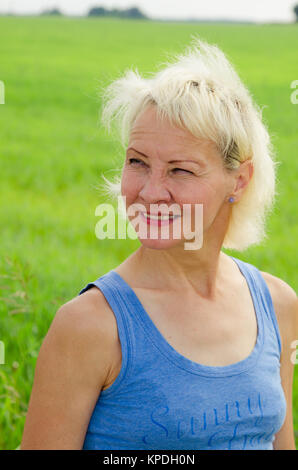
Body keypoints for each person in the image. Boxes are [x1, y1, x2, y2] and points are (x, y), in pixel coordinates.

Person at [21, 38, 297, 450]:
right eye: (137, 162)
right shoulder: (91, 326)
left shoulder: (278, 306)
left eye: (180, 170)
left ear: (238, 180)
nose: (151, 192)